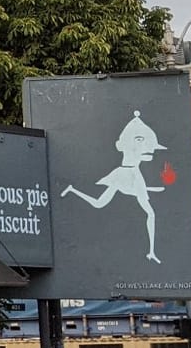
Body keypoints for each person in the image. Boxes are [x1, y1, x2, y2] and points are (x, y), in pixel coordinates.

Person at [61, 111, 166, 262]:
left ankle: (151, 251)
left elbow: (131, 186)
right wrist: (143, 189)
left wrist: (145, 189)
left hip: (132, 176)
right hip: (127, 175)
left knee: (149, 213)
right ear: (121, 145)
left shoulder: (134, 174)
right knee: (101, 204)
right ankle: (151, 251)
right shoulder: (125, 173)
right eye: (139, 140)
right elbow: (129, 186)